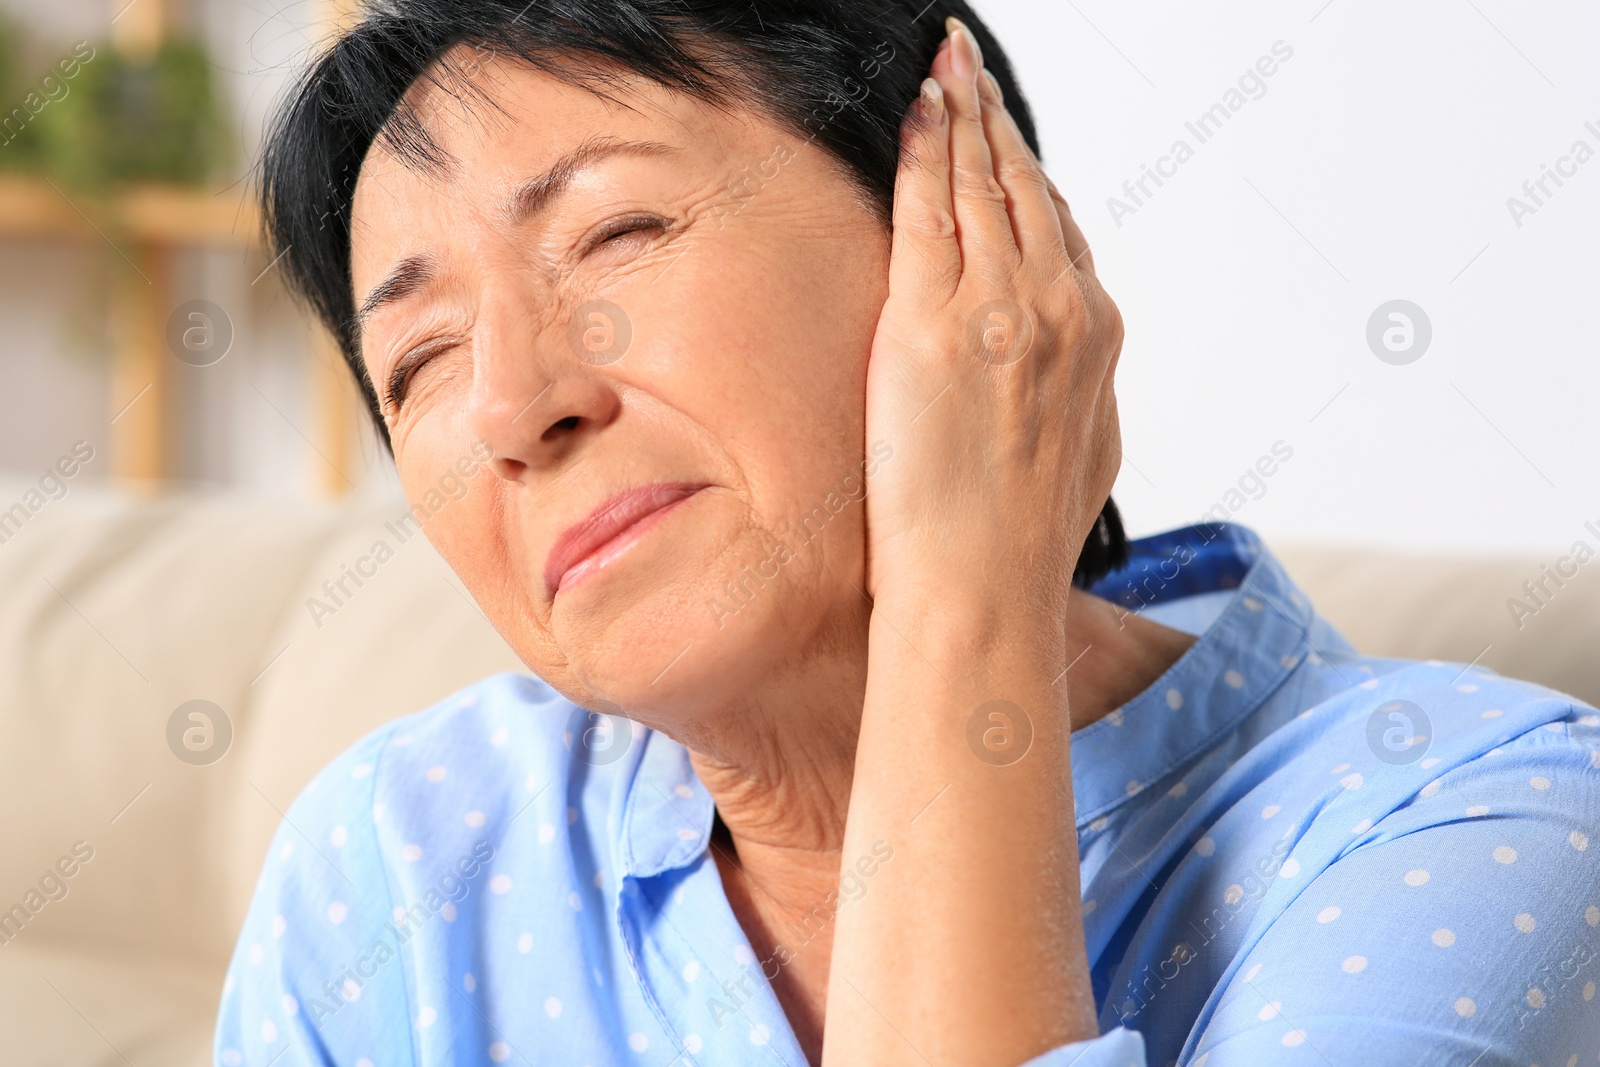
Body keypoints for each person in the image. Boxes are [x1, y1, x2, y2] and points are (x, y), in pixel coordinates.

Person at [218, 2, 1600, 1064]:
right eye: (422, 361)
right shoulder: (397, 860)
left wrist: (968, 597)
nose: (514, 404)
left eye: (621, 232)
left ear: (978, 236)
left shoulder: (1471, 818)